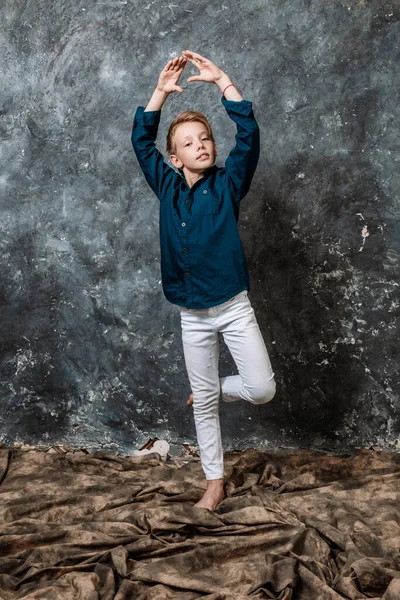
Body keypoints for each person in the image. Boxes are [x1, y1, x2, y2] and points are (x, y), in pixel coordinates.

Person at [131, 50, 276, 511]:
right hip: (192, 314)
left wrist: (223, 82)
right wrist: (160, 92)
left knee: (261, 390)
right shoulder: (168, 186)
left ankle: (211, 388)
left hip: (232, 306)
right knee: (206, 408)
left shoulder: (228, 183)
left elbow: (248, 137)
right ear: (174, 158)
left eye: (205, 138)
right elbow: (140, 141)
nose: (201, 145)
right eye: (189, 142)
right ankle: (214, 482)